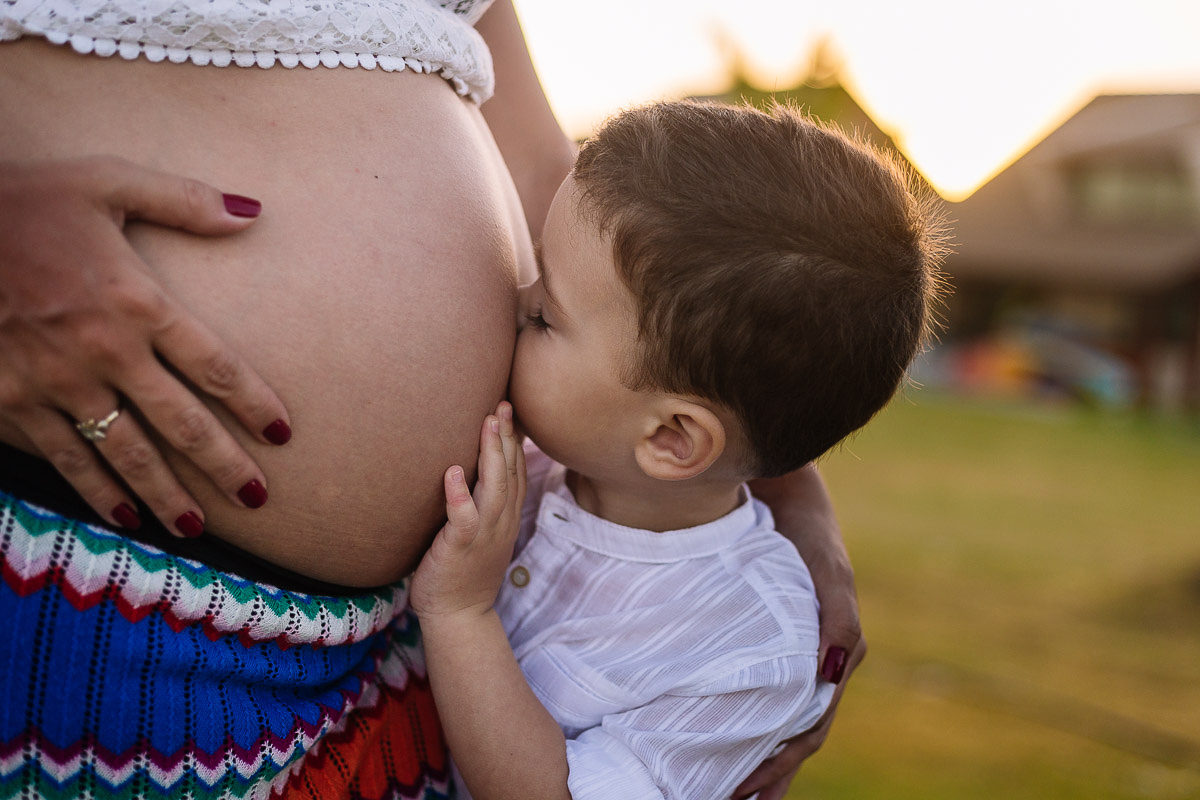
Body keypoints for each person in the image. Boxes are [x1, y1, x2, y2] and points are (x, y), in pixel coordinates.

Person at [0, 3, 863, 798]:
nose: (517, 296)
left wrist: (784, 473)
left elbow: (547, 178)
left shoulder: (710, 603)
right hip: (74, 571)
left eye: (537, 314)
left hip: (384, 664)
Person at [410, 102, 948, 800]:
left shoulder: (748, 648)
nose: (514, 302)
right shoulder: (549, 464)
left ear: (670, 439)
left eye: (546, 315)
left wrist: (463, 613)